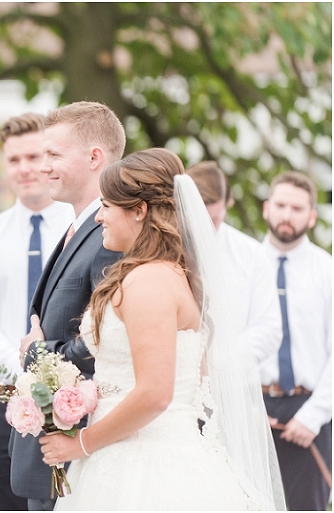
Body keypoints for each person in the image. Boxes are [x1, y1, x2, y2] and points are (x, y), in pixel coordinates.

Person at [38, 148, 285, 510]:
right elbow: (190, 373)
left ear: (139, 211)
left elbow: (155, 394)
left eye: (107, 206)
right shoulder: (167, 273)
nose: (99, 218)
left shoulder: (149, 282)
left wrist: (81, 443)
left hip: (143, 465)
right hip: (133, 450)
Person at [9, 101, 125, 510]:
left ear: (95, 158)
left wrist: (36, 352)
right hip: (49, 450)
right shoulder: (78, 225)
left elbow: (104, 341)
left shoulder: (110, 238)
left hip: (76, 451)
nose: (43, 167)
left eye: (53, 155)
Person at [0, 113, 74, 510]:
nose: (24, 169)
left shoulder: (82, 230)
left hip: (71, 403)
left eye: (33, 156)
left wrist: (51, 382)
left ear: (51, 159)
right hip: (0, 400)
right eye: (13, 160)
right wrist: (26, 374)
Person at [259, 171, 332, 510]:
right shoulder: (244, 267)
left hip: (309, 410)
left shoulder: (327, 271)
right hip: (253, 407)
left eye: (298, 208)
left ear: (312, 216)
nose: (287, 215)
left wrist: (314, 415)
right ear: (266, 209)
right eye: (281, 205)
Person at [185, 161, 281, 363]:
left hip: (231, 381)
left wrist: (216, 360)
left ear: (227, 206)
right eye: (199, 217)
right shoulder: (165, 248)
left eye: (214, 218)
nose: (206, 226)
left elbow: (268, 329)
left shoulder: (251, 253)